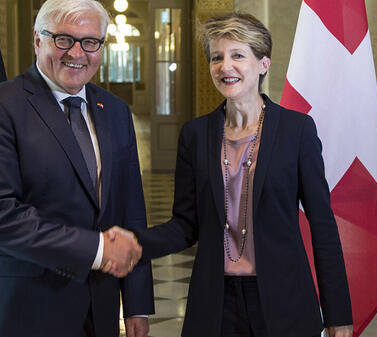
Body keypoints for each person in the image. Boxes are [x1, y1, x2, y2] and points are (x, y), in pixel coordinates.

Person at [112, 12, 353, 337]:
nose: (225, 66)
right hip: (215, 304)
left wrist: (338, 314)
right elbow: (186, 225)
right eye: (217, 57)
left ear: (263, 63)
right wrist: (137, 241)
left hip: (285, 301)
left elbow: (323, 225)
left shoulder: (297, 131)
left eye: (238, 55)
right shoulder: (195, 135)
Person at [0, 0, 154, 336]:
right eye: (63, 39)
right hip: (19, 308)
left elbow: (130, 210)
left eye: (90, 42)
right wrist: (98, 249)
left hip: (98, 309)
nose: (77, 53)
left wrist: (136, 302)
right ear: (38, 40)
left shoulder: (115, 111)